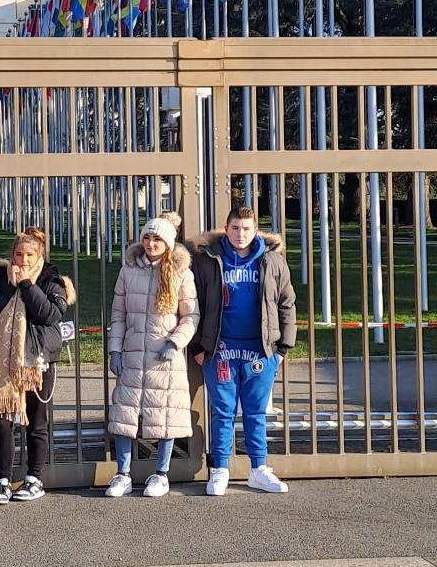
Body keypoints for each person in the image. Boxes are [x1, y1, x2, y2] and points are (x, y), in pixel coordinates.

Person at [188, 205, 296, 495]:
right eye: (235, 228)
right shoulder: (208, 260)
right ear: (226, 229)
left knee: (255, 411)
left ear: (255, 231)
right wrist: (199, 346)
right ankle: (220, 469)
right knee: (222, 411)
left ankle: (258, 469)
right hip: (220, 349)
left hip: (260, 350)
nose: (241, 234)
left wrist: (283, 347)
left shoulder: (272, 261)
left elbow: (287, 303)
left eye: (247, 229)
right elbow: (193, 302)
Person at [0, 226, 75, 504]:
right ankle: (3, 480)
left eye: (29, 254)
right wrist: (9, 284)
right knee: (3, 420)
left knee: (36, 421)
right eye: (18, 254)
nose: (23, 260)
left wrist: (26, 285)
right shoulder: (0, 276)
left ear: (39, 255)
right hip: (4, 362)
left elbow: (49, 314)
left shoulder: (51, 279)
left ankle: (34, 478)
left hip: (37, 360)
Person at [105, 212, 198, 497]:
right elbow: (118, 315)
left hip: (164, 356)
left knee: (164, 414)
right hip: (133, 353)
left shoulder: (182, 274)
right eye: (147, 236)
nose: (151, 242)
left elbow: (190, 315)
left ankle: (161, 473)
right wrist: (115, 350)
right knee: (125, 414)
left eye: (157, 238)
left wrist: (175, 343)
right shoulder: (128, 271)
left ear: (168, 243)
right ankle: (122, 473)